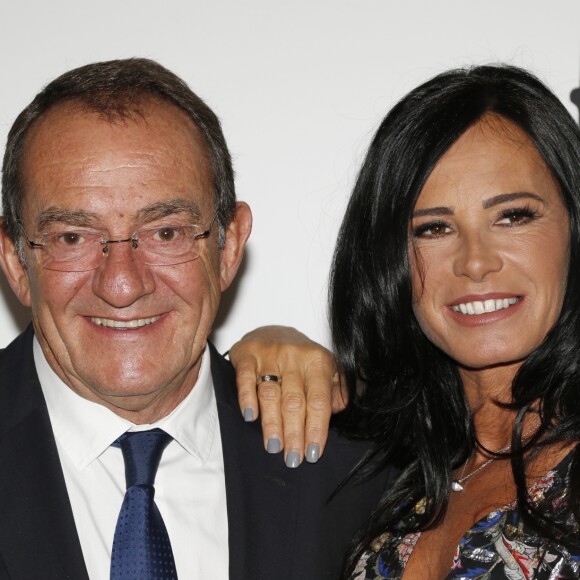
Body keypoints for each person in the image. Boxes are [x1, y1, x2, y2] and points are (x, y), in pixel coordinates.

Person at [0, 58, 394, 580]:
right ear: (15, 262)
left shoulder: (360, 470)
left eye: (166, 232)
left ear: (229, 246)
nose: (122, 284)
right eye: (73, 237)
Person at [230, 64, 580, 579]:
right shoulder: (380, 467)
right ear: (389, 260)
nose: (475, 261)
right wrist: (266, 349)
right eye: (434, 228)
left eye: (513, 216)